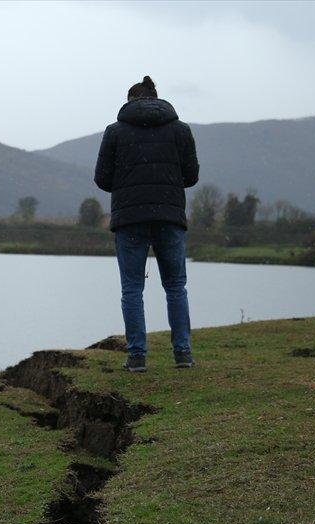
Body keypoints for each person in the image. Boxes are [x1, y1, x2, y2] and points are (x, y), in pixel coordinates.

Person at [94, 76, 199, 372]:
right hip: (169, 216)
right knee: (176, 286)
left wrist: (128, 185)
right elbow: (191, 176)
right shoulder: (180, 130)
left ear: (131, 101)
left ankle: (137, 356)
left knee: (132, 289)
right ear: (155, 97)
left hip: (129, 219)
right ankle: (183, 353)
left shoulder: (115, 132)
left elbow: (102, 179)